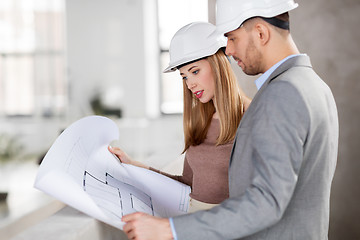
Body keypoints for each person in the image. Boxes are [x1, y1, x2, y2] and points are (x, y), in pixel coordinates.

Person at [120, 0, 339, 239]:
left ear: (261, 32)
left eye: (232, 38)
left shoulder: (282, 94)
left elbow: (266, 202)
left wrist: (169, 229)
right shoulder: (312, 85)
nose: (229, 51)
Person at [109, 22, 251, 213]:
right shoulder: (202, 123)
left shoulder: (254, 116)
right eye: (184, 77)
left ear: (219, 63)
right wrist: (134, 166)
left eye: (195, 71)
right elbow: (187, 185)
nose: (190, 84)